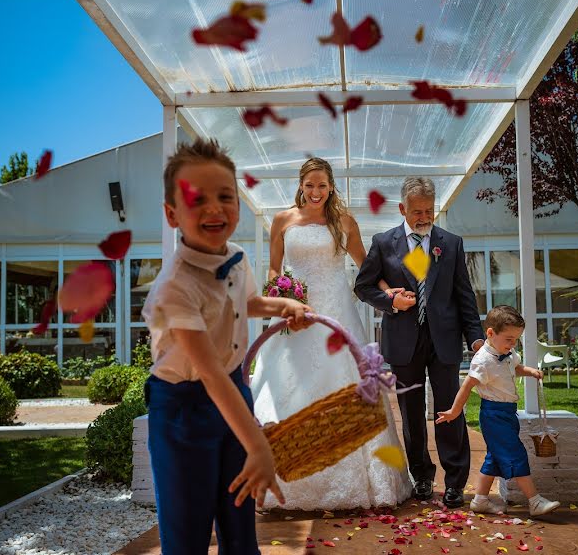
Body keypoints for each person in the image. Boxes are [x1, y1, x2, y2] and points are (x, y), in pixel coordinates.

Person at [141, 138, 313, 553]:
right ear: (171, 214)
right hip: (184, 409)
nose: (215, 209)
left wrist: (281, 303)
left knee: (239, 518)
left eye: (225, 196)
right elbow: (209, 373)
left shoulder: (235, 255)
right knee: (188, 530)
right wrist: (258, 444)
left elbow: (245, 303)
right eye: (198, 200)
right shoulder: (173, 289)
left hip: (234, 390)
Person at [249, 157, 412, 511]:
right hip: (295, 314)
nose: (316, 192)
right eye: (310, 185)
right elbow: (275, 270)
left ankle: (363, 482)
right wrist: (282, 299)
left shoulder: (344, 222)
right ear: (301, 185)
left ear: (331, 186)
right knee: (288, 386)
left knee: (347, 388)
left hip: (337, 312)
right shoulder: (282, 220)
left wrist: (390, 293)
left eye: (322, 185)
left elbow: (367, 270)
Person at [354, 176, 485, 509]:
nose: (424, 217)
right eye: (417, 211)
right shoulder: (383, 243)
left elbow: (464, 294)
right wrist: (390, 301)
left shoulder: (451, 243)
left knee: (449, 410)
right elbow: (363, 287)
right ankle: (422, 477)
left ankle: (455, 481)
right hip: (403, 341)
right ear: (402, 209)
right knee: (412, 414)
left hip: (445, 340)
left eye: (429, 210)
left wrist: (475, 337)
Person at [435, 305, 561, 517]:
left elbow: (515, 368)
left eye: (516, 340)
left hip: (508, 413)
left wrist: (530, 371)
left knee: (494, 458)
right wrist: (455, 411)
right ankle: (535, 501)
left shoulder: (507, 352)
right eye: (509, 339)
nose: (513, 345)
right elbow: (467, 386)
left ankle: (480, 500)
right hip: (493, 415)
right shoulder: (483, 361)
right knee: (516, 454)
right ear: (491, 334)